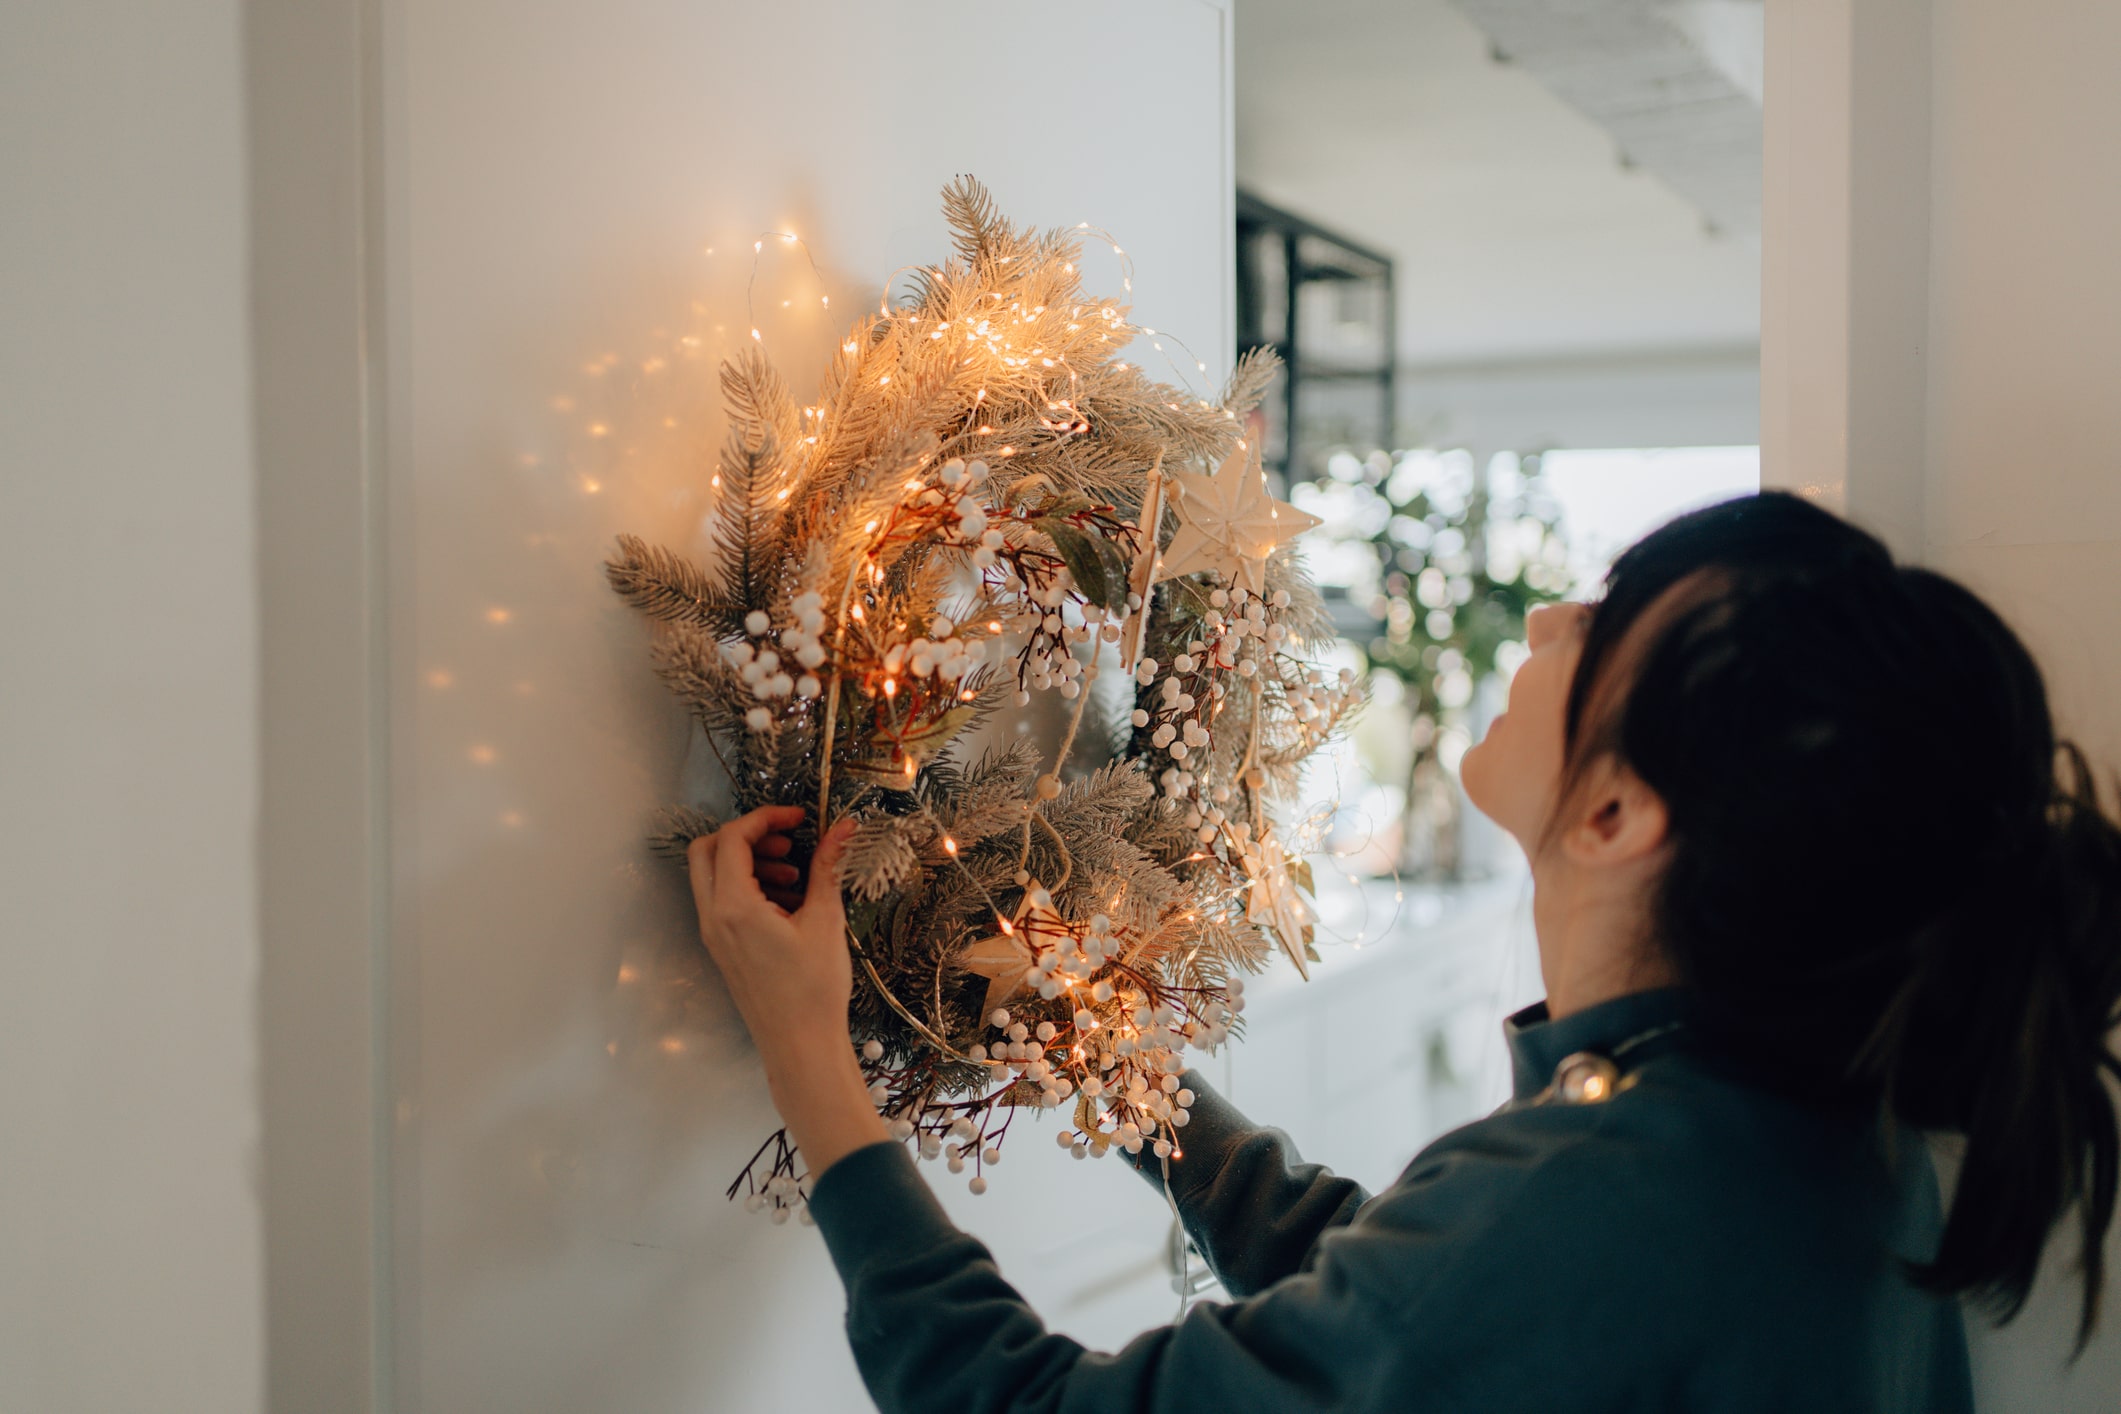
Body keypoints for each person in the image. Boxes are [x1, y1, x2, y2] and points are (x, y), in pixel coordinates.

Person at [685, 491, 2121, 1412]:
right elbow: (1414, 1313)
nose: (1557, 616)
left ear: (1617, 810)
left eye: (1610, 618)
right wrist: (1116, 1058)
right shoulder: (1768, 1131)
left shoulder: (1618, 1190)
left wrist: (811, 1056)